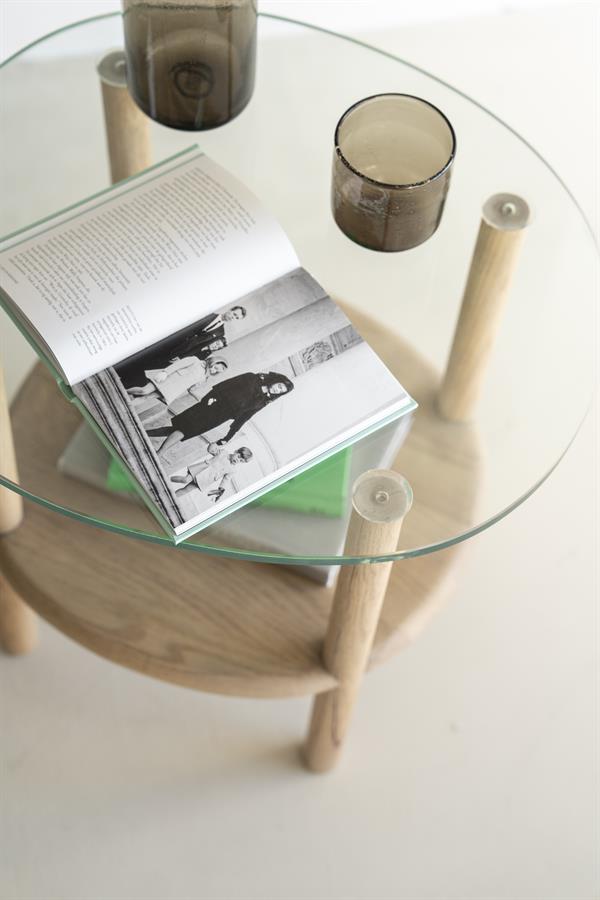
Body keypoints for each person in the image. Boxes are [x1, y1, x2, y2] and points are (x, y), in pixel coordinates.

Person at [147, 371, 294, 456]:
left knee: (177, 430)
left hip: (220, 417)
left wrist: (228, 437)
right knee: (185, 429)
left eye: (281, 391)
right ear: (276, 380)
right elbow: (226, 384)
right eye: (280, 386)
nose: (278, 390)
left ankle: (146, 433)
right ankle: (160, 453)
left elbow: (244, 418)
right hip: (213, 404)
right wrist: (209, 398)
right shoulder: (251, 378)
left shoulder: (263, 402)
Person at [116, 337, 228, 390]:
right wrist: (178, 356)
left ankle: (124, 383)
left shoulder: (207, 355)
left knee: (147, 373)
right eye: (217, 343)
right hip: (171, 355)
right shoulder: (200, 341)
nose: (216, 346)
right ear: (214, 340)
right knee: (145, 363)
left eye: (218, 347)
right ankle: (120, 373)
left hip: (173, 365)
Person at [126, 356, 228, 405]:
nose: (213, 370)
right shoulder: (195, 361)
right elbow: (177, 365)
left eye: (216, 371)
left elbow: (191, 389)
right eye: (215, 367)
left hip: (172, 390)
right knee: (144, 391)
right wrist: (165, 372)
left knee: (146, 398)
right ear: (213, 361)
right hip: (166, 379)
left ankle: (128, 405)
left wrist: (200, 398)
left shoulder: (204, 378)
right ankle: (123, 392)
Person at [171, 445, 253, 500]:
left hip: (206, 479)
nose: (238, 460)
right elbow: (212, 450)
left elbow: (226, 480)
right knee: (185, 480)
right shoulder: (224, 453)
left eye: (241, 461)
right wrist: (213, 446)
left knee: (186, 490)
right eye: (238, 456)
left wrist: (220, 490)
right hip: (201, 469)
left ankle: (172, 497)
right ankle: (168, 480)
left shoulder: (232, 470)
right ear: (236, 451)